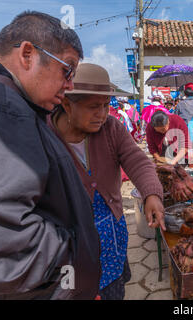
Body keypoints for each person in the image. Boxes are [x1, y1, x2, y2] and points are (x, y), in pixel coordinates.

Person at [0, 11, 100, 299]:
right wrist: (72, 255)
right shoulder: (6, 109)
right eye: (68, 69)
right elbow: (4, 239)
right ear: (28, 54)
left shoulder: (19, 106)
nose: (69, 85)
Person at [47, 63, 165, 300]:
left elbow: (137, 161)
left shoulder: (111, 128)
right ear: (67, 104)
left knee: (112, 289)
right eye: (93, 107)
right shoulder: (45, 135)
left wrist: (151, 194)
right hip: (68, 243)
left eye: (104, 106)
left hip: (110, 232)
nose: (102, 114)